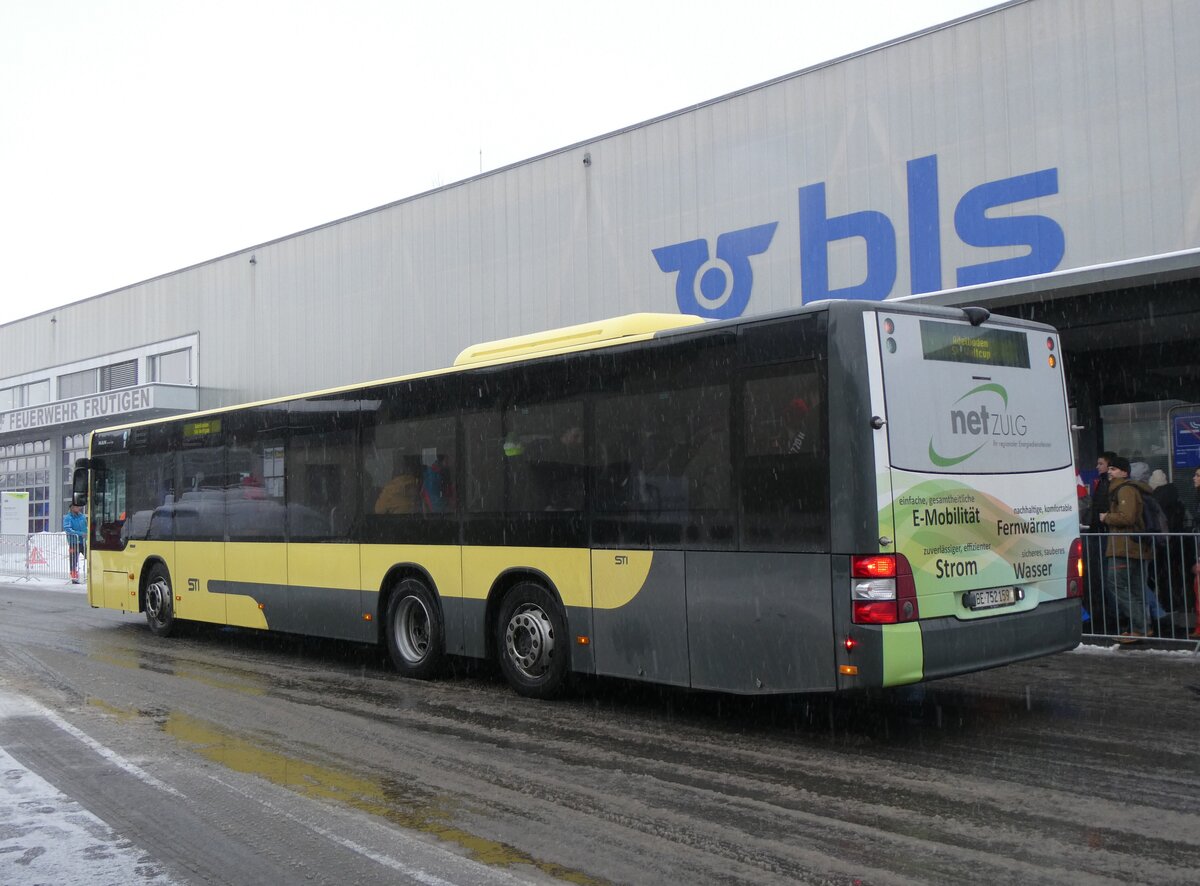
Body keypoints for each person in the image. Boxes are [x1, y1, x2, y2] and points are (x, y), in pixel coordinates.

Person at [1098, 456, 1154, 642]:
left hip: (1125, 547)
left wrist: (1107, 517)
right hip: (1134, 546)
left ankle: (1139, 627)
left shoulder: (1125, 490)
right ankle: (1142, 627)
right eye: (1109, 469)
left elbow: (1127, 517)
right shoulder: (1129, 488)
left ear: (1124, 472)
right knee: (1136, 589)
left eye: (1113, 469)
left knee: (1116, 585)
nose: (1109, 472)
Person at [62, 501, 87, 584]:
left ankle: (92, 575)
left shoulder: (82, 516)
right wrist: (80, 534)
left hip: (83, 542)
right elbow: (68, 529)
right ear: (72, 508)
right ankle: (74, 578)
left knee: (90, 557)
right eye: (76, 506)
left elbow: (86, 526)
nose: (79, 508)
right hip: (74, 542)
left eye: (79, 506)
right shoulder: (68, 518)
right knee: (73, 561)